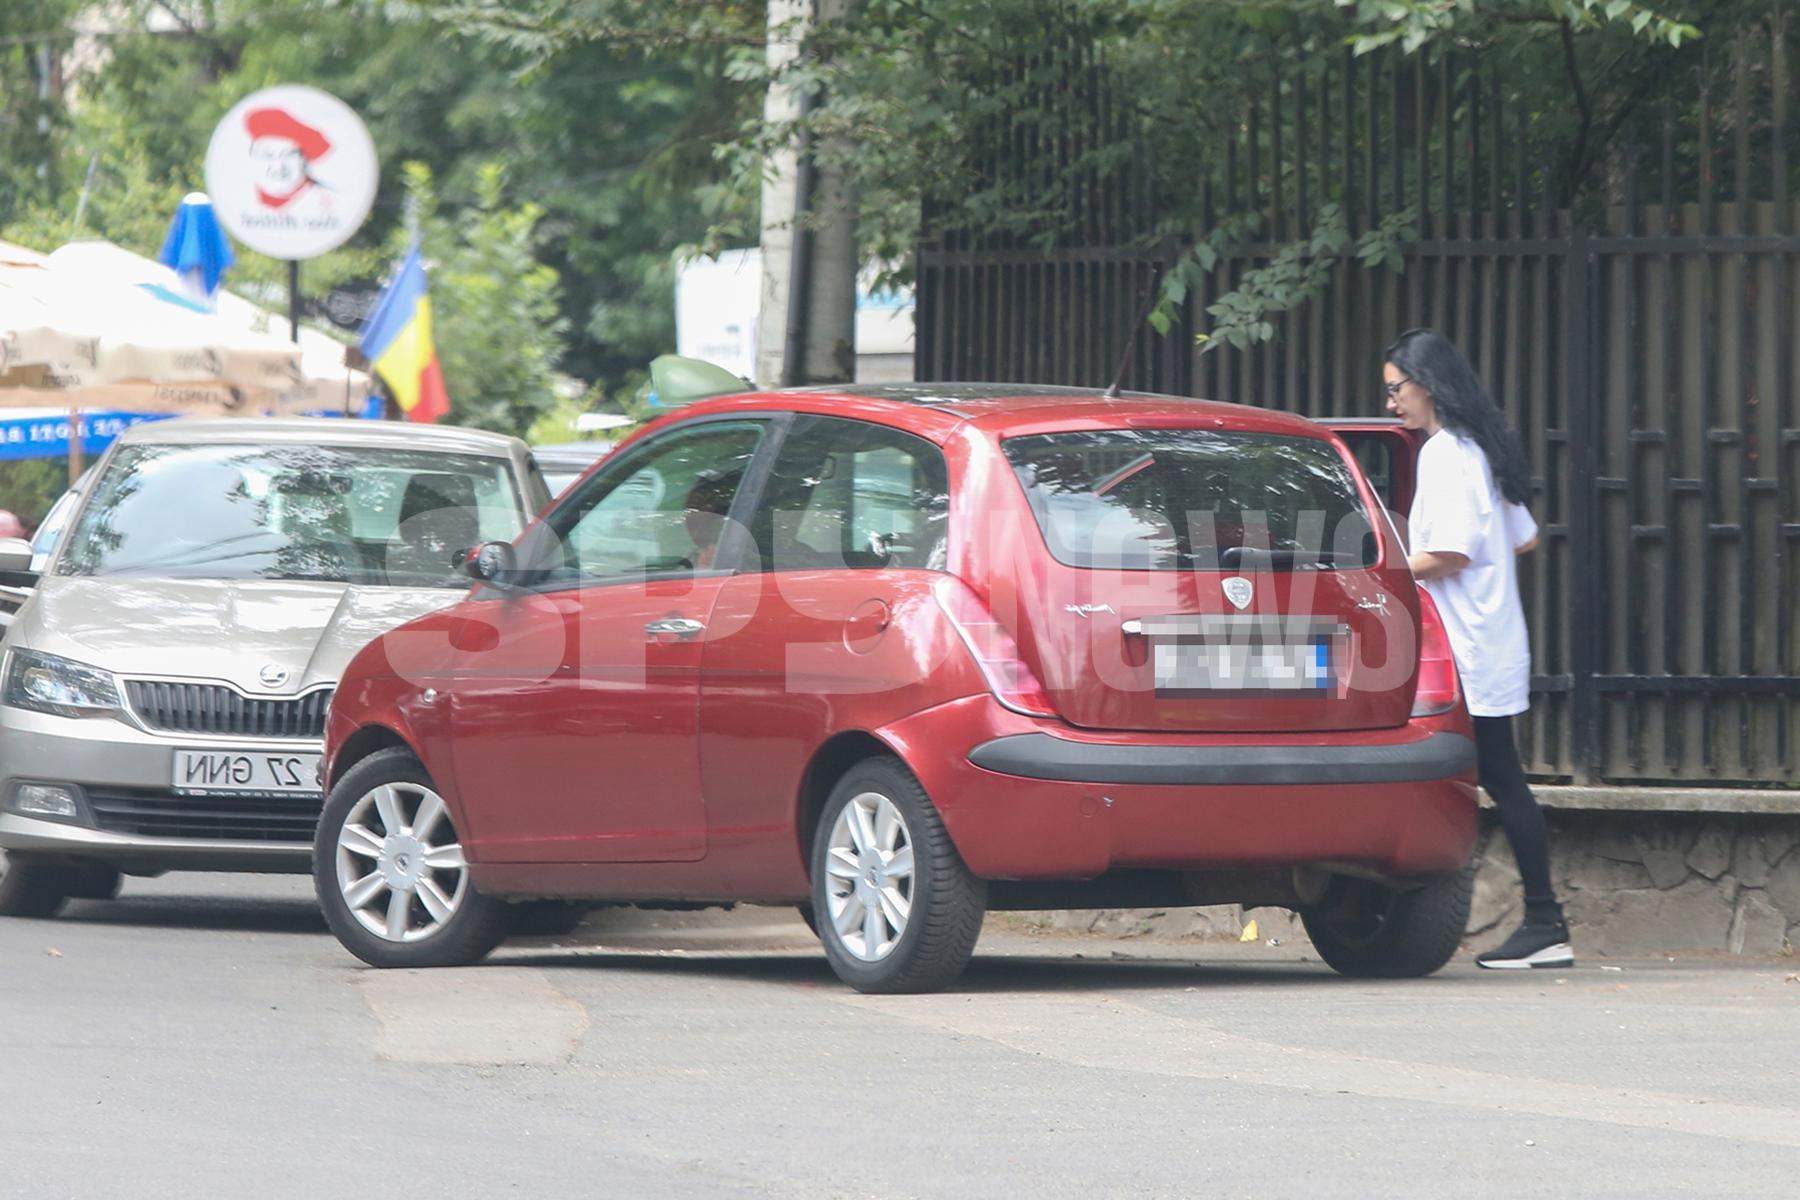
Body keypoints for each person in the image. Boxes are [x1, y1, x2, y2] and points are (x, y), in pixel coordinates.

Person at [1383, 328, 1573, 970]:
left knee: (1497, 778)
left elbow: (1450, 554)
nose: (1391, 405)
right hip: (1493, 637)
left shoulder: (1443, 454)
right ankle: (1545, 922)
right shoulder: (1481, 448)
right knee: (1498, 776)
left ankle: (1547, 923)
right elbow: (1520, 539)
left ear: (1426, 384)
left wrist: (1385, 568)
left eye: (1395, 390)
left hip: (1467, 646)